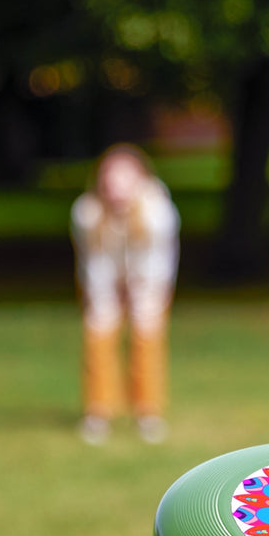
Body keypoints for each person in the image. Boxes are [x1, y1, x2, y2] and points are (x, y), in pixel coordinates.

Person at [71, 143, 180, 444]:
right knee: (98, 333)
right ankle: (98, 412)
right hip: (103, 281)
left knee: (147, 337)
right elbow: (94, 262)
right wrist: (106, 297)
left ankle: (148, 412)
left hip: (148, 281)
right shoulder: (87, 213)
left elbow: (157, 262)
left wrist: (140, 294)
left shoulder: (158, 212)